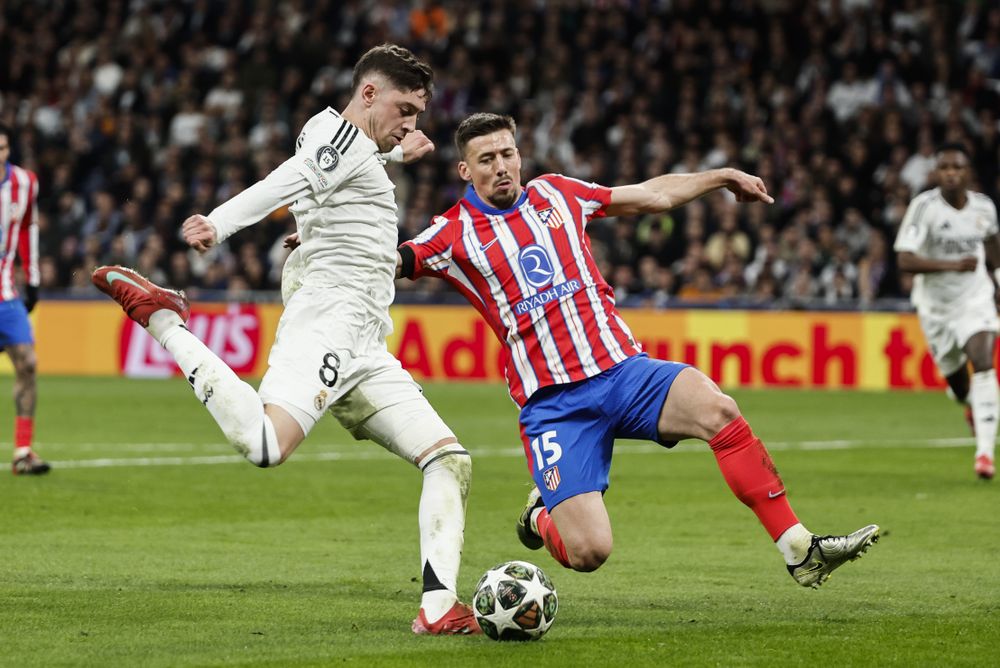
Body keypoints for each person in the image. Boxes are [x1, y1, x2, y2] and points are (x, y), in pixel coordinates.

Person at [92, 45, 479, 635]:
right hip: (328, 321)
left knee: (448, 460)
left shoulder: (351, 146)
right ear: (369, 94)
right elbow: (289, 181)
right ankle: (163, 319)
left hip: (367, 345)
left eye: (419, 115)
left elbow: (335, 179)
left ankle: (437, 608)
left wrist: (398, 151)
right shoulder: (343, 140)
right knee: (266, 445)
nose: (412, 123)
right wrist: (218, 223)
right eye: (405, 109)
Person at [396, 113, 879, 586]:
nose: (500, 166)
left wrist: (722, 176)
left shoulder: (557, 193)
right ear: (466, 170)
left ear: (519, 155)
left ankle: (799, 548)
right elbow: (394, 261)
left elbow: (653, 194)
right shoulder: (452, 232)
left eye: (506, 153)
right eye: (485, 159)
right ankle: (541, 516)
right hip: (555, 406)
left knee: (719, 410)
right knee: (589, 552)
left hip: (624, 373)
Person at [893, 143, 1000, 480]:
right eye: (945, 168)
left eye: (957, 167)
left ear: (968, 173)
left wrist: (997, 282)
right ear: (937, 173)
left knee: (984, 363)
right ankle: (969, 405)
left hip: (976, 299)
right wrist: (953, 265)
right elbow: (905, 260)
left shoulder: (984, 207)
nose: (951, 173)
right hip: (936, 308)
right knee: (958, 387)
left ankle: (984, 454)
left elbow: (994, 248)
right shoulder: (923, 208)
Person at [0, 123, 49, 476]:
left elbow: (29, 226)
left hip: (5, 292)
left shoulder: (25, 182)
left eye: (2, 148)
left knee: (28, 363)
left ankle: (22, 451)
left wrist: (31, 279)